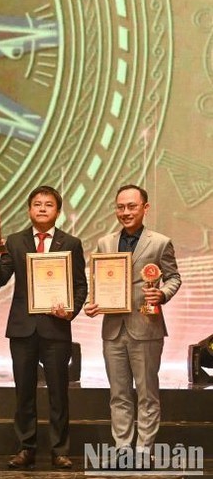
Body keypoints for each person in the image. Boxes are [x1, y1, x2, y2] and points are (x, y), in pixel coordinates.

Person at [0, 185, 87, 469]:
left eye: (49, 204)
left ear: (58, 210)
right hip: (22, 328)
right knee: (24, 392)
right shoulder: (15, 242)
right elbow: (1, 277)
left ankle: (59, 450)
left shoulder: (71, 243)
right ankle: (26, 447)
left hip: (56, 328)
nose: (42, 208)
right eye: (37, 204)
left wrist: (71, 311)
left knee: (58, 392)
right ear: (29, 209)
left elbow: (80, 286)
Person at [83, 185, 181, 463]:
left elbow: (174, 277)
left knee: (147, 393)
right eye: (120, 207)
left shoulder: (160, 242)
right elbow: (98, 282)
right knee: (119, 393)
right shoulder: (105, 243)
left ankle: (144, 449)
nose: (125, 212)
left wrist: (161, 293)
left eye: (131, 206)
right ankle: (123, 448)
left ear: (145, 208)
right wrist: (91, 302)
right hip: (113, 330)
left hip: (147, 326)